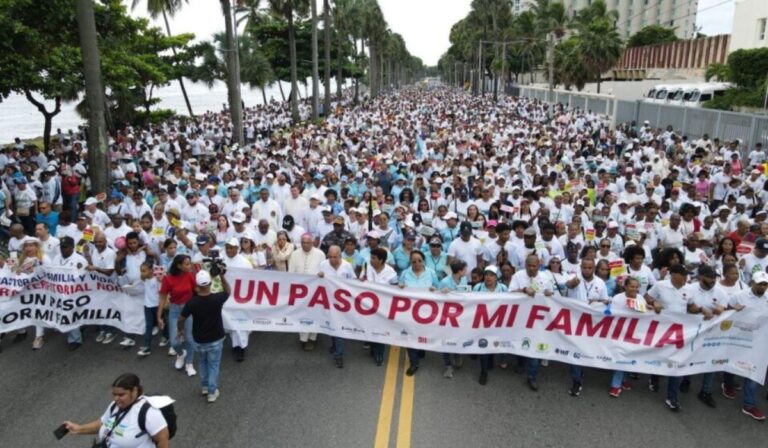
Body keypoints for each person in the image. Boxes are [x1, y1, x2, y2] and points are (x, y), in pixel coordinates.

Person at [63, 373, 170, 448]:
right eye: (114, 394)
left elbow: (163, 440)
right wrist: (78, 429)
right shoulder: (115, 406)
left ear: (134, 391)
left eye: (121, 395)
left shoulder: (149, 413)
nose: (116, 399)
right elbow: (102, 423)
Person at [178, 270, 231, 403]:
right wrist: (222, 275)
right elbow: (228, 291)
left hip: (199, 339)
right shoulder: (217, 298)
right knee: (213, 365)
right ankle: (212, 392)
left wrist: (180, 330)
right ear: (210, 283)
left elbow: (181, 318)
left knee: (202, 363)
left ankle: (205, 387)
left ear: (197, 285)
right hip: (216, 338)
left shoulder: (192, 302)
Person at [645, 264, 690, 411]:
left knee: (676, 363)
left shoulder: (688, 289)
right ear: (674, 275)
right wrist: (654, 302)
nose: (685, 278)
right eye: (683, 275)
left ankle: (672, 397)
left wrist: (702, 310)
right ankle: (654, 377)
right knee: (659, 356)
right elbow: (647, 296)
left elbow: (692, 306)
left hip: (679, 332)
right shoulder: (660, 285)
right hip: (661, 329)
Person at [726, 271, 768, 421]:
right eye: (760, 283)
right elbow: (725, 311)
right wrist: (732, 309)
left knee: (754, 371)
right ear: (753, 282)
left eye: (765, 284)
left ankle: (749, 405)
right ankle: (728, 383)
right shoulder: (739, 295)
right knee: (732, 363)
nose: (762, 286)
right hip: (739, 337)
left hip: (760, 341)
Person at [398, 250, 440, 376]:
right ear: (410, 262)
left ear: (423, 261)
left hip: (426, 312)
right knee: (410, 336)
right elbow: (398, 288)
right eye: (414, 261)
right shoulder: (405, 273)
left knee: (422, 334)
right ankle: (414, 363)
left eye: (419, 261)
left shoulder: (431, 273)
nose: (417, 264)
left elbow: (437, 287)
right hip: (409, 311)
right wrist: (400, 287)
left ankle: (421, 348)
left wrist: (434, 289)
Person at [158, 254, 197, 377]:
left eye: (189, 263)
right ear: (179, 266)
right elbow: (162, 298)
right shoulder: (168, 279)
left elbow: (196, 291)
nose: (189, 266)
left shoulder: (190, 276)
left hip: (188, 309)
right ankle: (180, 354)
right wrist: (158, 316)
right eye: (187, 264)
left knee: (190, 338)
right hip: (174, 310)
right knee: (175, 342)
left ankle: (189, 363)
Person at [318, 245, 356, 368]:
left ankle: (338, 355)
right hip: (328, 301)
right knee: (331, 325)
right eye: (330, 257)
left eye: (335, 257)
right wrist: (319, 275)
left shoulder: (347, 266)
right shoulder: (323, 264)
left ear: (340, 255)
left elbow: (353, 281)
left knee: (339, 328)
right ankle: (334, 345)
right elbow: (316, 279)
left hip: (342, 303)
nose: (333, 259)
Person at [288, 233, 326, 350]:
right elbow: (291, 273)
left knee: (314, 314)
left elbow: (323, 271)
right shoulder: (294, 254)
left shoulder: (320, 254)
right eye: (303, 242)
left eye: (308, 242)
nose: (305, 245)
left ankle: (312, 338)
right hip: (300, 290)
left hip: (315, 290)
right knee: (302, 314)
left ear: (313, 242)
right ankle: (303, 338)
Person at [472, 265, 508, 385]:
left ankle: (490, 360)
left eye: (492, 275)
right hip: (482, 322)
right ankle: (483, 372)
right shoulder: (477, 287)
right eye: (486, 274)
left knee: (493, 342)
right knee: (484, 345)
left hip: (498, 322)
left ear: (497, 277)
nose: (488, 277)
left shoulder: (503, 288)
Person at [363, 247, 398, 365]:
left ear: (382, 260)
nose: (371, 260)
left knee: (381, 330)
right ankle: (373, 347)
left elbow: (395, 290)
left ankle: (379, 355)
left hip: (383, 307)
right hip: (368, 305)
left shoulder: (391, 273)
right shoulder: (367, 267)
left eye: (373, 258)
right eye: (371, 257)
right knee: (371, 328)